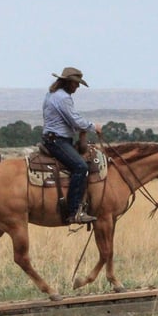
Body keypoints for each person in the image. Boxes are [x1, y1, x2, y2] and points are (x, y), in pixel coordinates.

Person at [42, 67, 103, 224]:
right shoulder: (63, 98)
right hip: (58, 141)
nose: (78, 87)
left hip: (54, 138)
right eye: (76, 83)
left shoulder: (52, 94)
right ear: (68, 82)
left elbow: (70, 121)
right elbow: (75, 120)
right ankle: (74, 211)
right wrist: (93, 127)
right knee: (81, 167)